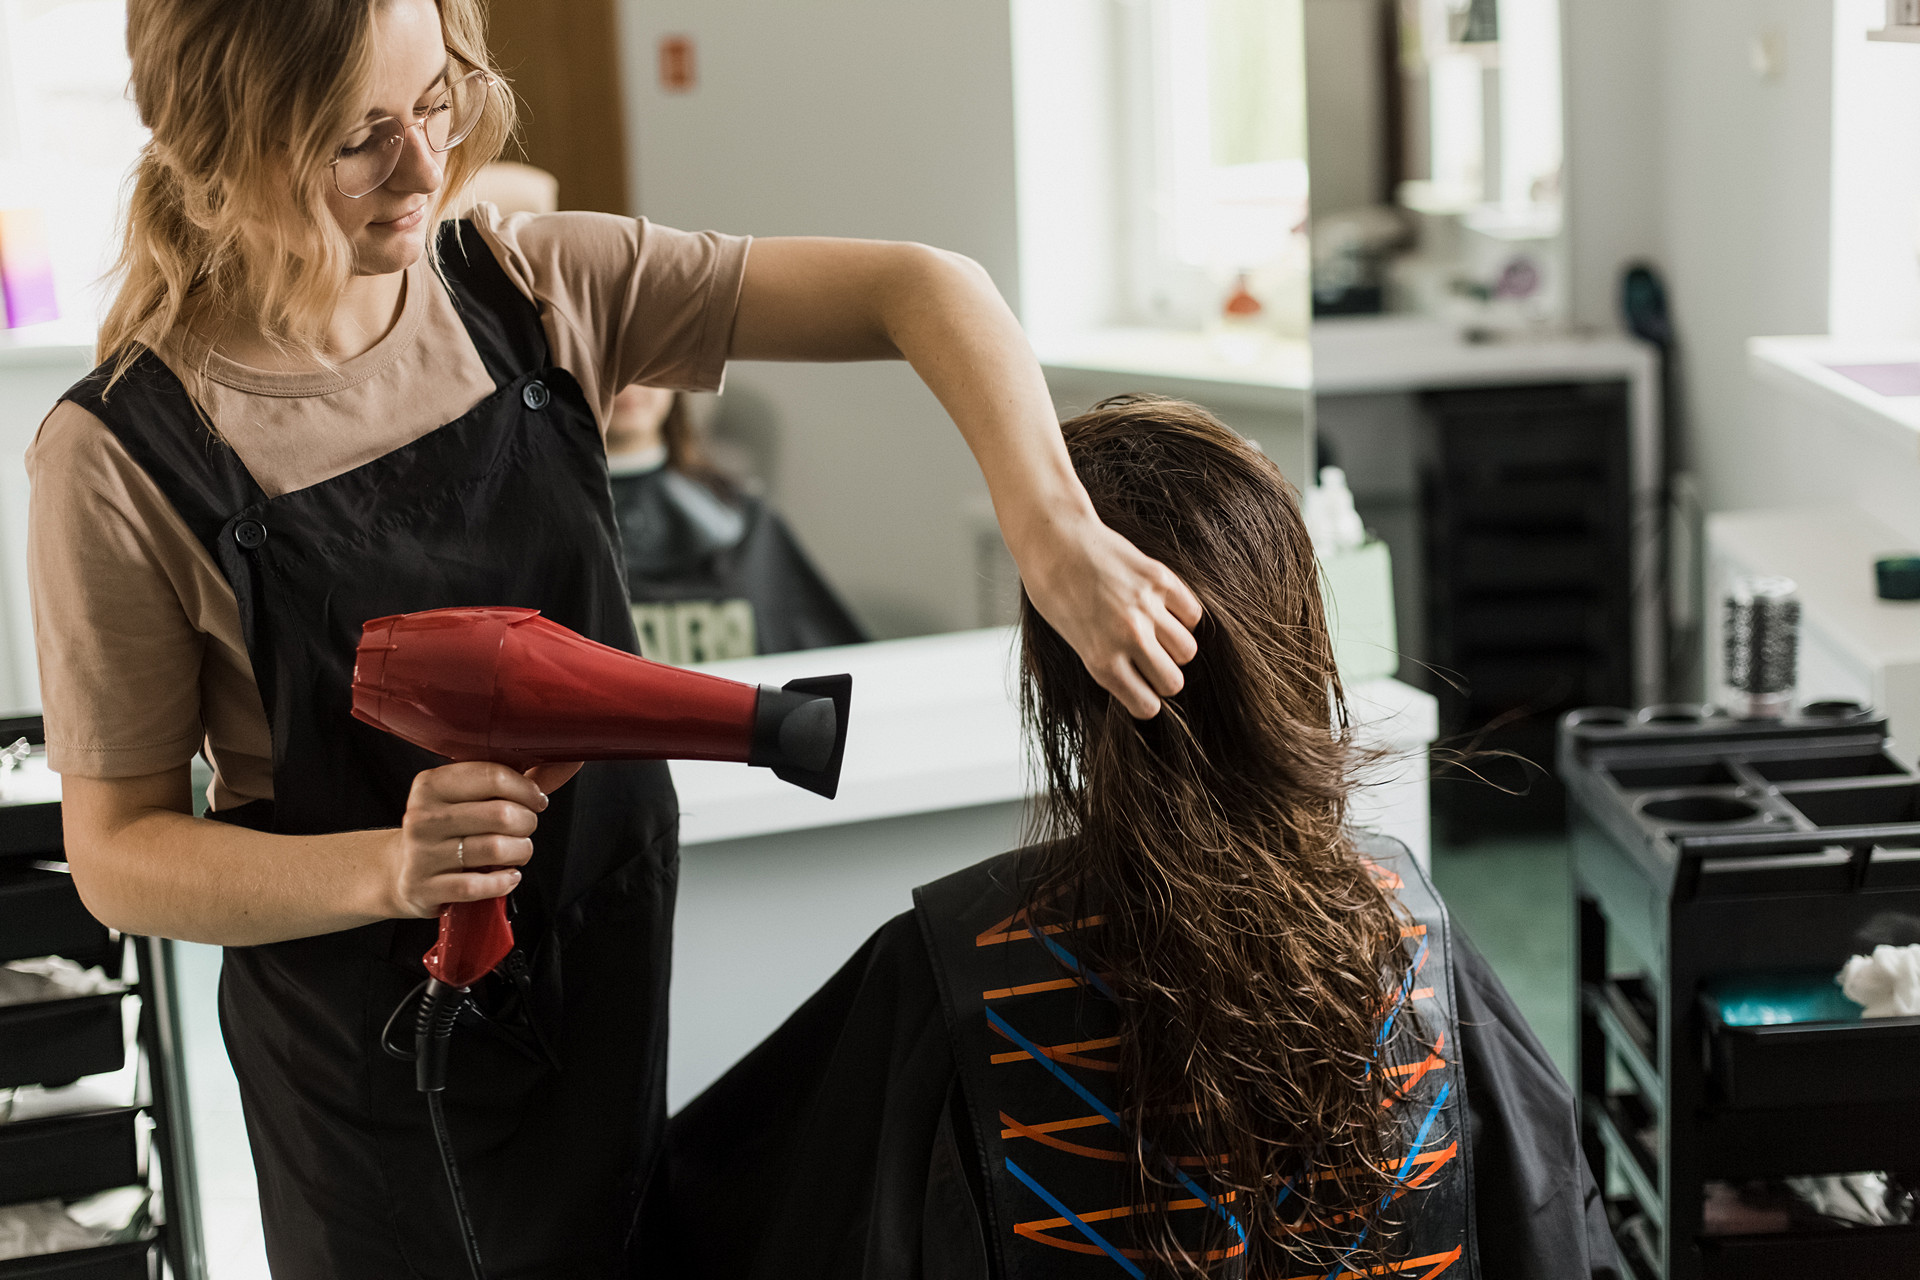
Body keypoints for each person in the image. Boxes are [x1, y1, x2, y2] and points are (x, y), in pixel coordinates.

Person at [26, 3, 1201, 1277]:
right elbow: (117, 856)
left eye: (435, 104)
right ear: (217, 145)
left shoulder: (532, 290)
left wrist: (1053, 525)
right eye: (358, 139)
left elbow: (924, 286)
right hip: (370, 1080)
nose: (425, 169)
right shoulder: (119, 460)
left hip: (608, 990)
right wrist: (389, 868)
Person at [656, 396, 1623, 1280]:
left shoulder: (949, 967)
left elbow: (699, 1217)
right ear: (1299, 639)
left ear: (1058, 686)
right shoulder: (1413, 933)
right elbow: (1557, 1233)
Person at [602, 385, 868, 664]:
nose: (628, 382)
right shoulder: (555, 530)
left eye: (644, 360)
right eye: (607, 362)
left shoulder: (749, 518)